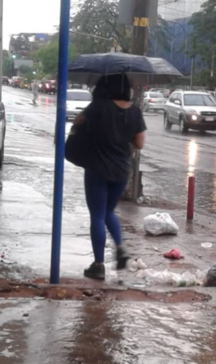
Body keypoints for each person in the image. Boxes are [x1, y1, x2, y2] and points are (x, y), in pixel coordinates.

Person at [73, 74, 146, 280]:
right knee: (108, 212)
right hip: (121, 171)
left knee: (97, 214)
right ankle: (120, 248)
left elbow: (77, 122)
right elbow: (139, 143)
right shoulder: (134, 112)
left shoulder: (98, 108)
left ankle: (98, 265)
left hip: (97, 168)